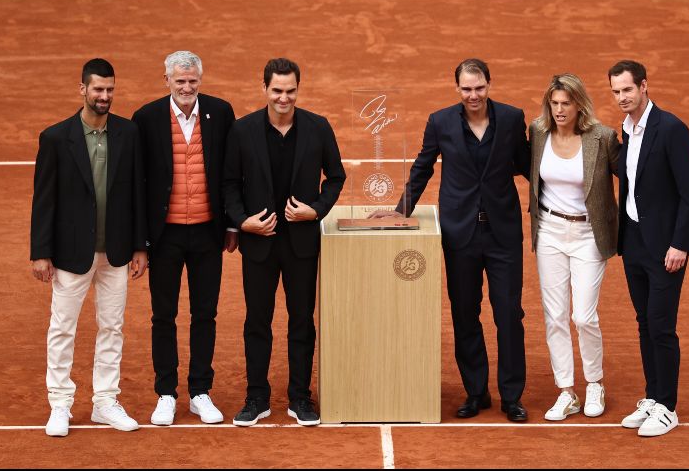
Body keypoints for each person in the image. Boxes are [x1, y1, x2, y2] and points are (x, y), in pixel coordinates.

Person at [371, 58, 530, 421]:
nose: (473, 95)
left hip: (503, 234)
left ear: (489, 84)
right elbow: (423, 166)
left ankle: (511, 397)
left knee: (508, 314)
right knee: (465, 313)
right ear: (457, 88)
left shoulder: (511, 118)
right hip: (460, 235)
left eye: (479, 87)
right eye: (466, 88)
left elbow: (527, 164)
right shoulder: (440, 121)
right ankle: (476, 392)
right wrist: (402, 210)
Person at [223, 58, 346, 426]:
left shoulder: (317, 128)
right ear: (264, 89)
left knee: (301, 321)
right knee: (257, 322)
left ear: (298, 89)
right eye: (277, 90)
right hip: (259, 243)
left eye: (290, 91)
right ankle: (256, 397)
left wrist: (317, 210)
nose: (284, 97)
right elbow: (228, 184)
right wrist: (244, 221)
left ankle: (300, 398)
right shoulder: (242, 131)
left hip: (301, 244)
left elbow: (336, 177)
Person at [31, 58, 147, 437]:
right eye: (98, 89)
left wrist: (139, 246)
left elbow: (137, 195)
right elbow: (44, 200)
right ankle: (60, 404)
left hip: (115, 251)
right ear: (82, 89)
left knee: (112, 327)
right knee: (62, 328)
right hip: (69, 253)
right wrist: (41, 251)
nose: (104, 96)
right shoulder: (55, 138)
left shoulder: (128, 134)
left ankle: (104, 402)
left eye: (110, 89)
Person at [131, 51, 237, 426]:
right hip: (165, 236)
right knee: (164, 315)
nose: (187, 87)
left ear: (200, 80)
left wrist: (231, 225)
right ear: (167, 81)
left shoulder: (221, 112)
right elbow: (137, 185)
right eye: (180, 81)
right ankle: (166, 393)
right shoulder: (145, 119)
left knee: (204, 313)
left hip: (208, 233)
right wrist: (139, 243)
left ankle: (199, 392)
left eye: (192, 81)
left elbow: (230, 172)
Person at [608, 60, 689, 437]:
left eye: (627, 90)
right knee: (645, 322)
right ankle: (652, 396)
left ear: (644, 86)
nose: (622, 98)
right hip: (633, 244)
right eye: (616, 92)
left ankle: (667, 407)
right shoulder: (627, 129)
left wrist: (680, 243)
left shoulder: (672, 129)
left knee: (662, 326)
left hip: (666, 248)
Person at [528, 73, 620, 421]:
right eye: (554, 104)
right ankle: (567, 391)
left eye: (566, 103)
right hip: (549, 231)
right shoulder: (538, 133)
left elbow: (628, 175)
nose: (560, 110)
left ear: (579, 104)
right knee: (555, 317)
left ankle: (594, 382)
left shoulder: (602, 137)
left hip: (588, 236)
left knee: (583, 316)